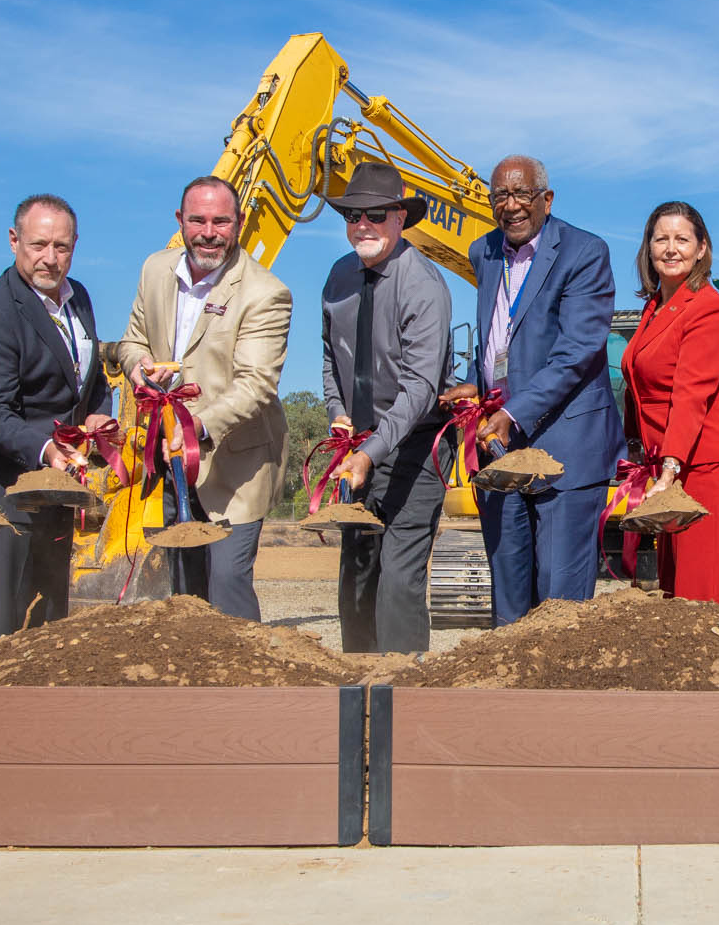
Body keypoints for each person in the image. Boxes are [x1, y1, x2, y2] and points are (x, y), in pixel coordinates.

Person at [439, 155, 621, 626]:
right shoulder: (485, 252)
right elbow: (504, 339)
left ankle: (561, 700)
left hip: (566, 449)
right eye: (501, 195)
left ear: (547, 198)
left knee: (559, 606)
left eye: (522, 194)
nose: (512, 205)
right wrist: (480, 388)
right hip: (502, 447)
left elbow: (576, 350)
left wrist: (515, 409)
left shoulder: (584, 253)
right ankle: (509, 700)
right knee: (509, 599)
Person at [115, 176, 292, 621]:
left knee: (226, 585)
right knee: (183, 589)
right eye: (197, 220)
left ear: (240, 223)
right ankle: (192, 688)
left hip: (236, 466)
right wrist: (139, 368)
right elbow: (131, 342)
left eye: (221, 221)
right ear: (180, 220)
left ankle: (247, 686)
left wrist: (196, 430)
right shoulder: (155, 271)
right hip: (170, 462)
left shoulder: (265, 293)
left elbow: (255, 385)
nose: (208, 232)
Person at [0, 194, 114, 643]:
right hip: (4, 494)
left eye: (61, 247)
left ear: (75, 245)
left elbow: (89, 378)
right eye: (39, 245)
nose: (50, 259)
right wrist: (45, 449)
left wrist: (99, 415)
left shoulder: (80, 300)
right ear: (14, 240)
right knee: (5, 627)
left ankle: (42, 712)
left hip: (55, 490)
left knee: (49, 621)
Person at [321, 162, 455, 654]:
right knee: (356, 583)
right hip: (357, 449)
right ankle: (358, 693)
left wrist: (372, 451)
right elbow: (330, 358)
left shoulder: (422, 283)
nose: (363, 224)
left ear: (400, 218)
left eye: (376, 214)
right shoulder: (338, 277)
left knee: (398, 583)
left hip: (414, 452)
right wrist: (339, 417)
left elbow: (420, 387)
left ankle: (404, 700)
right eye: (353, 215)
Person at [620, 200, 719, 605]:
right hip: (669, 466)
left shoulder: (709, 309)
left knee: (699, 600)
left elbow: (690, 395)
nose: (671, 248)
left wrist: (669, 469)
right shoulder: (653, 307)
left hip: (705, 465)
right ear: (648, 248)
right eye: (662, 239)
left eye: (682, 239)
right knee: (673, 598)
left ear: (702, 249)